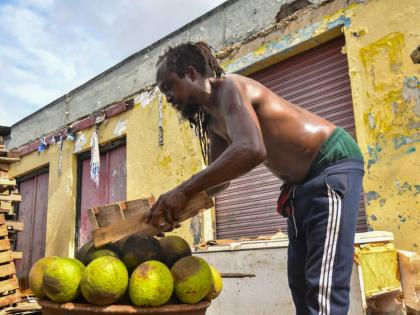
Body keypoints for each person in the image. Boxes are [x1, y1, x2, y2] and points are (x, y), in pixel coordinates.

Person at [145, 41, 364, 315]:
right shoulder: (214, 121)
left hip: (332, 165)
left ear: (191, 73)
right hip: (299, 186)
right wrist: (178, 205)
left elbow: (251, 149)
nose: (168, 98)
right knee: (300, 282)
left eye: (168, 87)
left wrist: (184, 188)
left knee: (324, 287)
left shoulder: (230, 87)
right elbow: (219, 181)